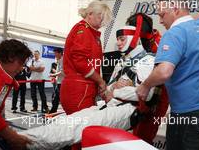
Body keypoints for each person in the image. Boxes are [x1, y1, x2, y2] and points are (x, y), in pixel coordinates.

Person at [19, 25, 163, 149]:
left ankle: (21, 142)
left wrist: (117, 90)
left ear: (134, 38)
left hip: (128, 110)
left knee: (76, 127)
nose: (118, 43)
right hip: (108, 105)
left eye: (122, 39)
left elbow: (147, 94)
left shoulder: (147, 60)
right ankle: (22, 139)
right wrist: (115, 89)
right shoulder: (122, 62)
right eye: (117, 39)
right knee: (65, 121)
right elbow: (109, 89)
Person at [136, 0, 199, 150]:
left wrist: (145, 85)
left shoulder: (173, 34)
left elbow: (164, 72)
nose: (160, 21)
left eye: (162, 15)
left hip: (188, 116)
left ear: (175, 9)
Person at [108, 13, 169, 144]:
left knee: (143, 137)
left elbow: (159, 81)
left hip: (157, 96)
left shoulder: (160, 45)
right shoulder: (131, 50)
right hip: (131, 100)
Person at [60, 0, 112, 115]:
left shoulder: (88, 32)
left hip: (83, 88)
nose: (102, 23)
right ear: (90, 14)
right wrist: (100, 81)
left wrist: (98, 83)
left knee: (82, 128)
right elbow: (81, 62)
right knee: (82, 128)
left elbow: (90, 63)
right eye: (100, 17)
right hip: (79, 89)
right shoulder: (83, 31)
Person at [0, 39, 32, 150]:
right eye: (21, 63)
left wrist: (7, 132)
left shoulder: (6, 77)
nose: (22, 68)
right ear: (10, 57)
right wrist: (11, 136)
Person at [49, 47, 64, 113]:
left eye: (55, 53)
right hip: (59, 82)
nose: (54, 54)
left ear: (60, 53)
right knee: (56, 97)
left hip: (62, 82)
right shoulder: (59, 60)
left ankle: (53, 111)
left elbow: (62, 72)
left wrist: (53, 75)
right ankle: (53, 111)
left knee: (57, 97)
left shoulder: (63, 60)